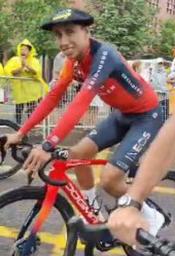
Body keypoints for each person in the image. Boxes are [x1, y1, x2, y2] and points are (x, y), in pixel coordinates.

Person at [5, 8, 165, 235]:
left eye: (70, 32)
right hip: (121, 115)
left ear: (86, 31)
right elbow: (53, 97)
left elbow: (80, 104)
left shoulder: (103, 55)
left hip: (147, 116)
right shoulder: (75, 61)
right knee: (78, 155)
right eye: (58, 35)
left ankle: (150, 214)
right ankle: (94, 212)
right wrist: (21, 133)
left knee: (110, 180)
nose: (63, 41)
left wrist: (48, 144)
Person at [108, 109, 175, 246]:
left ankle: (151, 215)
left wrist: (133, 201)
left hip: (146, 115)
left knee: (110, 177)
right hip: (124, 115)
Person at [4, 39, 49, 124]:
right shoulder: (15, 60)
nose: (22, 51)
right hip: (20, 90)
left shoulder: (34, 61)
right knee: (19, 108)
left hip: (31, 91)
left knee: (31, 108)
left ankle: (31, 125)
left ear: (29, 51)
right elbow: (10, 72)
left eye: (24, 49)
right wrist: (21, 67)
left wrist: (27, 66)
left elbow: (37, 72)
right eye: (21, 49)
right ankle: (17, 125)